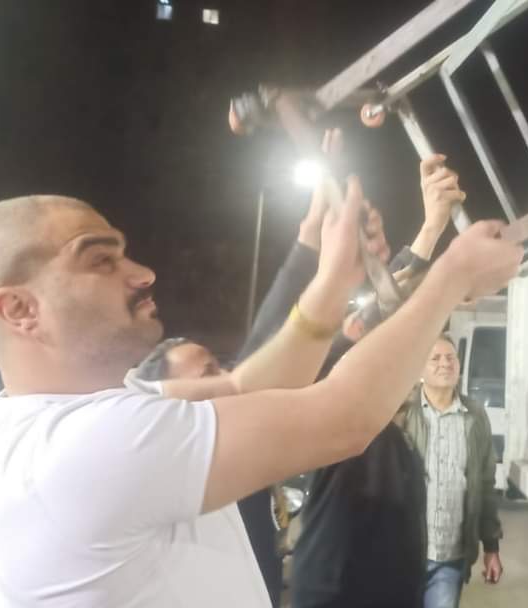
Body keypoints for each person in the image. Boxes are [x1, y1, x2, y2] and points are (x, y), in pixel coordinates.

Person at [0, 175, 522, 606]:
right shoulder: (81, 448)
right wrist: (451, 279)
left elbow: (248, 384)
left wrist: (333, 279)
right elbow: (343, 418)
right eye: (100, 260)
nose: (142, 273)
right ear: (19, 309)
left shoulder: (75, 418)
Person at [126, 155, 391, 606]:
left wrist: (318, 245)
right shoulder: (159, 461)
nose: (226, 377)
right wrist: (449, 275)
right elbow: (266, 372)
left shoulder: (218, 462)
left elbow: (247, 378)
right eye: (207, 375)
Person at [289, 153, 466, 608]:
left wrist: (433, 228)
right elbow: (383, 311)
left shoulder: (392, 442)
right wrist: (435, 242)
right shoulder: (342, 428)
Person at [399, 335, 504, 608]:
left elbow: (485, 484)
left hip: (450, 556)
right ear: (420, 369)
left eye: (450, 358)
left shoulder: (475, 416)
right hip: (402, 553)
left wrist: (491, 546)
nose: (445, 364)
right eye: (435, 358)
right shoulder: (404, 414)